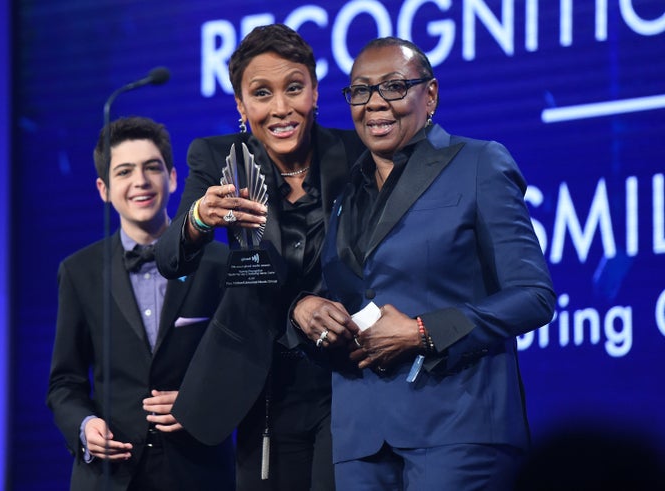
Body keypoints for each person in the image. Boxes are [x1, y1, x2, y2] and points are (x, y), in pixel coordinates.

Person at [291, 37, 556, 490]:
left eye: (394, 87)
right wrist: (305, 311)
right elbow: (344, 293)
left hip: (458, 429)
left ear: (429, 94)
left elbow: (534, 297)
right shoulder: (344, 193)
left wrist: (423, 332)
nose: (375, 103)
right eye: (360, 91)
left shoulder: (477, 164)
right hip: (360, 440)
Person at [154, 24, 364, 491]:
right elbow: (171, 257)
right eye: (261, 93)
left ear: (314, 90)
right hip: (261, 378)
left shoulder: (353, 153)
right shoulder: (216, 156)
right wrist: (200, 217)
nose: (280, 108)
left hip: (346, 376)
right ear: (241, 107)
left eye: (294, 88)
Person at [46, 116, 234, 491]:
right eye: (124, 171)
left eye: (152, 167)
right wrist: (85, 427)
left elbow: (244, 364)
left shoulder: (218, 263)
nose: (140, 182)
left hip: (199, 471)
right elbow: (64, 382)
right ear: (104, 188)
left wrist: (204, 403)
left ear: (174, 177)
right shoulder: (79, 271)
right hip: (109, 474)